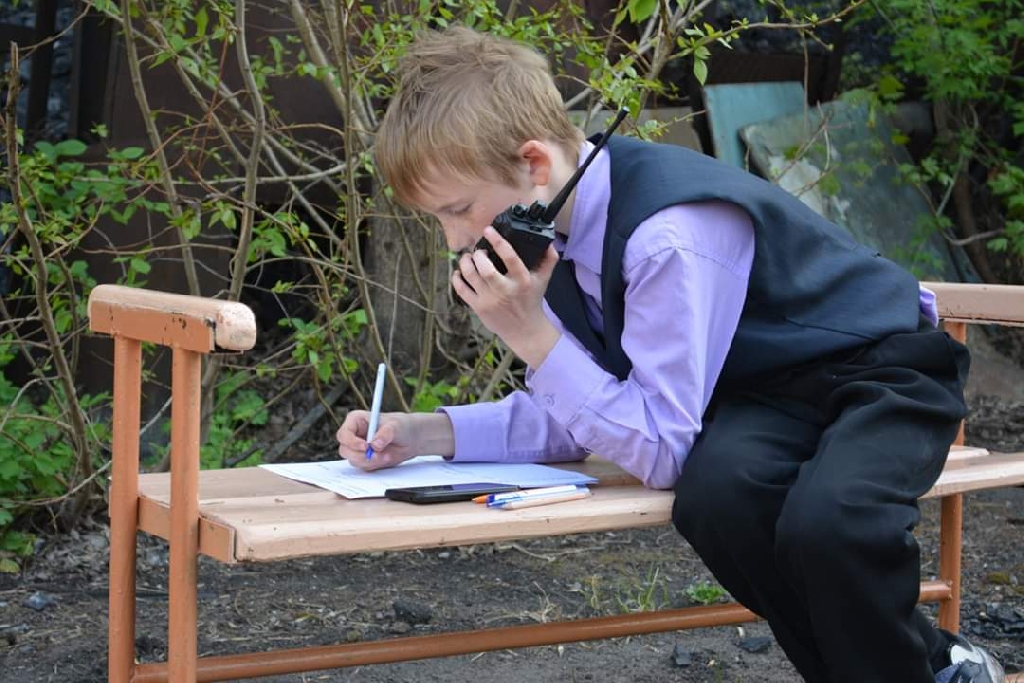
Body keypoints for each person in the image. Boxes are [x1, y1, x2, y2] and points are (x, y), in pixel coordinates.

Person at [335, 25, 1005, 683]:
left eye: (457, 210)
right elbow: (589, 410)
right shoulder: (548, 236)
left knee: (830, 523)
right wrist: (425, 434)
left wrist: (532, 334)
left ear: (534, 165)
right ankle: (933, 665)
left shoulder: (666, 234)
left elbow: (656, 448)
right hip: (765, 394)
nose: (455, 241)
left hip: (882, 369)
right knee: (716, 500)